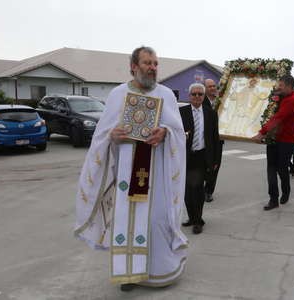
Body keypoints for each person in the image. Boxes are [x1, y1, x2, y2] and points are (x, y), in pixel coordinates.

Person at [74, 46, 188, 291]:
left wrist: (165, 132)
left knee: (156, 219)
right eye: (147, 63)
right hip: (125, 170)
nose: (152, 68)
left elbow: (178, 132)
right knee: (125, 221)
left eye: (155, 63)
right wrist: (112, 136)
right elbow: (102, 134)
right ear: (133, 66)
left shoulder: (166, 94)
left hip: (156, 171)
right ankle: (128, 274)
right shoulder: (117, 94)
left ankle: (159, 270)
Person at [252, 75, 294, 210]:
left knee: (282, 169)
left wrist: (262, 132)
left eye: (281, 86)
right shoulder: (278, 97)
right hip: (273, 139)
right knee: (271, 169)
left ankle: (286, 190)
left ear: (289, 86)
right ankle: (273, 199)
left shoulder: (293, 100)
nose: (278, 87)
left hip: (287, 141)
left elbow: (278, 117)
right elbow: (268, 113)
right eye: (278, 85)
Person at [180, 83, 220, 234]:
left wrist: (216, 160)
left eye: (200, 94)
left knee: (196, 188)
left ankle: (198, 221)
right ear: (189, 96)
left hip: (202, 156)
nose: (197, 97)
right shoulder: (181, 112)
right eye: (194, 94)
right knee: (186, 191)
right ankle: (192, 217)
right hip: (185, 157)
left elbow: (215, 138)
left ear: (203, 97)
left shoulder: (211, 113)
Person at [202, 78, 224, 202]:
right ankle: (200, 188)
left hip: (218, 139)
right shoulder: (201, 100)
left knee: (215, 165)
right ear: (205, 89)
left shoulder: (221, 101)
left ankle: (209, 191)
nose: (212, 88)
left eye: (214, 86)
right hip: (204, 139)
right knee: (203, 165)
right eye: (209, 86)